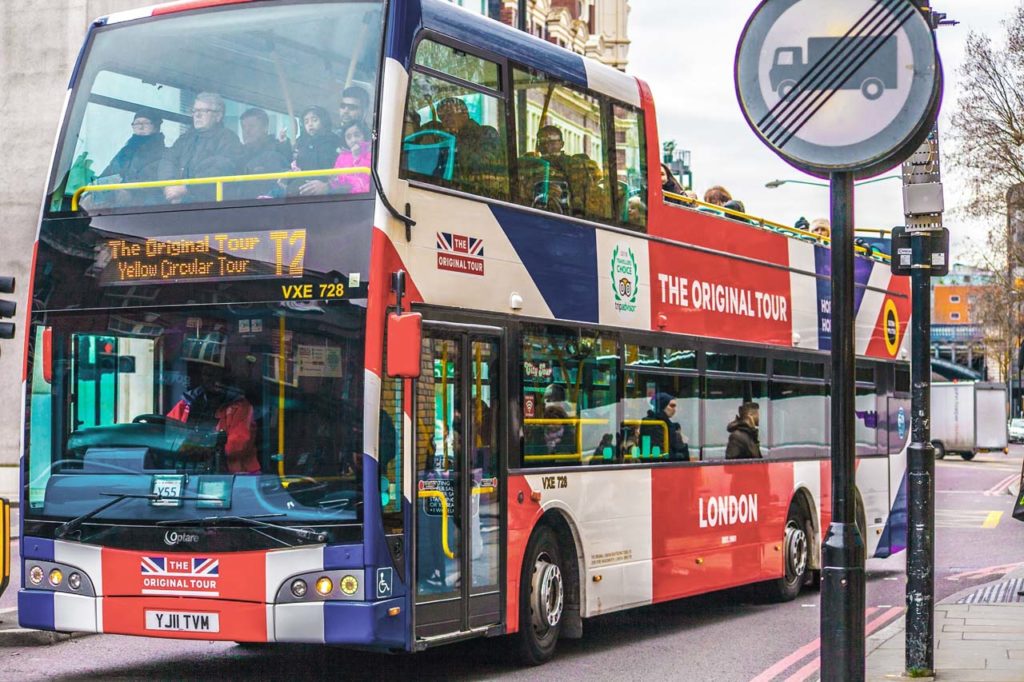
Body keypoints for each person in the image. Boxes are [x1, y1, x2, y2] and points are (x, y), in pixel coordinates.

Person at [167, 361, 260, 474]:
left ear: (225, 376)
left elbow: (236, 446)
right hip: (187, 471)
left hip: (233, 476)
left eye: (216, 374)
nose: (212, 379)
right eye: (207, 374)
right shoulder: (186, 404)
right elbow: (168, 437)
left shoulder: (240, 407)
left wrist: (200, 447)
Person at [159, 92, 243, 203]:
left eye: (203, 111)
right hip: (179, 201)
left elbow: (220, 169)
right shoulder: (185, 139)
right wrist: (169, 186)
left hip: (210, 206)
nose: (197, 115)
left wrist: (186, 188)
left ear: (218, 116)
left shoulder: (229, 139)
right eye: (195, 111)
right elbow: (168, 161)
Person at [88, 108, 167, 206]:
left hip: (144, 206)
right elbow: (109, 173)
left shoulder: (164, 154)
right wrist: (94, 188)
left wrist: (130, 191)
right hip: (113, 201)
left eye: (146, 123)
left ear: (156, 127)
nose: (141, 127)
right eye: (137, 123)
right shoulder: (124, 152)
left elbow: (156, 180)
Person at [436, 97, 505, 198]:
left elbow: (483, 166)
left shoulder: (487, 133)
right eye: (442, 117)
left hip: (482, 197)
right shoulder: (446, 141)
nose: (445, 119)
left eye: (449, 114)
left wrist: (456, 142)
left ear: (464, 114)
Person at [237, 107, 290, 198]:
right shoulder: (238, 154)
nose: (246, 131)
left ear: (265, 128)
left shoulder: (276, 153)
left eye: (251, 126)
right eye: (243, 127)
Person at [290, 105, 343, 196]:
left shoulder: (334, 141)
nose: (310, 124)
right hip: (303, 188)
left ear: (324, 121)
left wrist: (328, 185)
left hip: (326, 191)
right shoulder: (301, 143)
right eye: (306, 122)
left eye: (314, 120)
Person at [640, 393, 690, 461]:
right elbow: (660, 454)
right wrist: (682, 443)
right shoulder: (653, 424)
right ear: (662, 406)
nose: (675, 409)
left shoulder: (665, 424)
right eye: (672, 406)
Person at [330, 120, 373, 194]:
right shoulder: (342, 156)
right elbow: (335, 178)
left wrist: (357, 157)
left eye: (357, 135)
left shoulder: (371, 153)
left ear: (365, 135)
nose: (353, 140)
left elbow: (365, 178)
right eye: (348, 137)